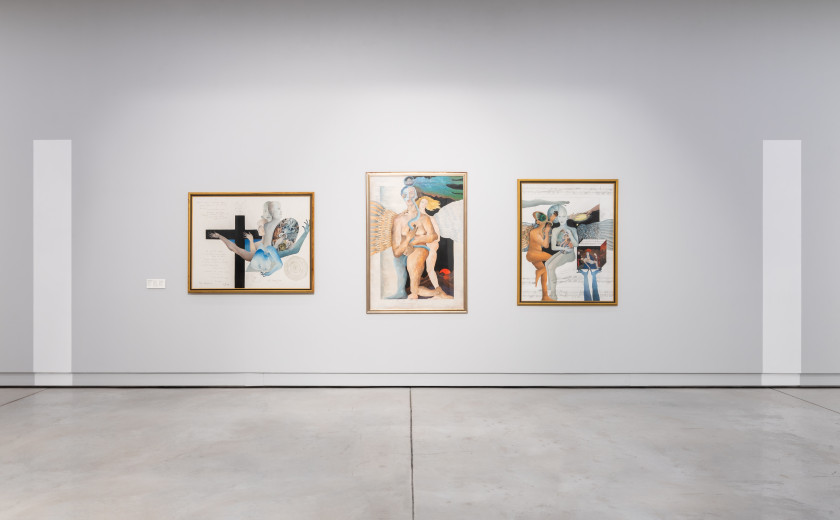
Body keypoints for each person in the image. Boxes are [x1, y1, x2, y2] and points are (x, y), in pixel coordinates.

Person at [210, 201, 310, 277]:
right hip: (267, 250)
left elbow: (234, 248)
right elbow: (282, 262)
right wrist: (220, 236)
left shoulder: (261, 253)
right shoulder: (269, 251)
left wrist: (220, 236)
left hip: (266, 250)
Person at [391, 182, 445, 299]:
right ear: (402, 197)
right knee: (414, 289)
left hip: (420, 249)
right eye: (405, 194)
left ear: (416, 196)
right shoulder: (398, 219)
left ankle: (436, 293)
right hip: (405, 253)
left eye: (411, 193)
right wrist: (408, 239)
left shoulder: (424, 217)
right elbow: (396, 252)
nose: (408, 197)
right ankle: (438, 292)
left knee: (414, 288)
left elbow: (433, 236)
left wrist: (414, 241)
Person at [544, 202, 578, 301]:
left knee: (551, 266)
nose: (561, 219)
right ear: (557, 218)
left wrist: (570, 235)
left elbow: (576, 245)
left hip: (570, 254)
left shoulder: (572, 229)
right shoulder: (555, 230)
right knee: (547, 263)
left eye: (564, 216)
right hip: (563, 251)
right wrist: (564, 248)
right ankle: (550, 285)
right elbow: (553, 247)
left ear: (566, 216)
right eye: (559, 217)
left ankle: (553, 294)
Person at [526, 210, 557, 301]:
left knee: (545, 272)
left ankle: (544, 296)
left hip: (536, 255)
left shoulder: (541, 229)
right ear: (537, 222)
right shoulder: (534, 232)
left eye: (542, 216)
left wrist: (552, 218)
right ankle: (539, 271)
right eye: (539, 218)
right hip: (533, 255)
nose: (541, 218)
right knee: (552, 259)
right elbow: (545, 245)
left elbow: (547, 225)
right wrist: (547, 233)